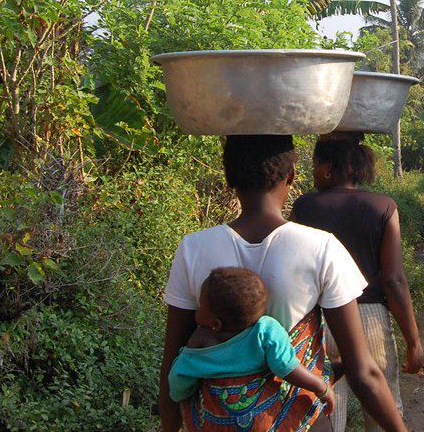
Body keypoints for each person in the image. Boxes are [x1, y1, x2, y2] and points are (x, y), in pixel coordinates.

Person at [159, 135, 407, 432]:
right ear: (291, 176)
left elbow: (172, 365)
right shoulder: (321, 247)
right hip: (300, 421)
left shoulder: (193, 248)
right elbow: (363, 373)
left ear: (229, 178)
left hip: (218, 422)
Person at [291, 135, 423, 432]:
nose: (312, 173)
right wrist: (413, 341)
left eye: (314, 166)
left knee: (325, 411)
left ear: (327, 168)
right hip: (370, 318)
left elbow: (294, 270)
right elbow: (394, 280)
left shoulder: (304, 208)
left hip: (318, 320)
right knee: (381, 411)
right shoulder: (383, 207)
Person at [168, 267, 336, 415]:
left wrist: (181, 396)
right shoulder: (265, 329)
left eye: (200, 306)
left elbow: (179, 377)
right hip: (263, 413)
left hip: (216, 416)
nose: (197, 309)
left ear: (216, 323)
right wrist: (321, 387)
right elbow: (287, 366)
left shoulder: (201, 341)